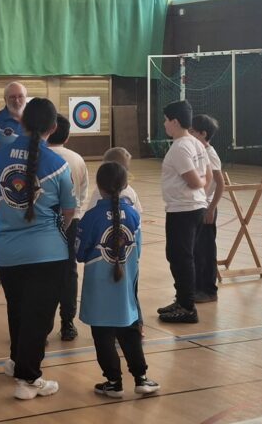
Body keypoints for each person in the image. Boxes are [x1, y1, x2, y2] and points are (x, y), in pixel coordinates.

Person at [0, 98, 76, 400]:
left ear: (22, 122)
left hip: (8, 252)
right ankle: (29, 378)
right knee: (38, 318)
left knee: (18, 310)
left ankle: (17, 361)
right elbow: (68, 211)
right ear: (53, 127)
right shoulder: (58, 165)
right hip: (47, 254)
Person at [77, 162, 159, 398]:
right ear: (124, 185)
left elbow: (80, 254)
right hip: (125, 288)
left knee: (103, 336)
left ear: (99, 186)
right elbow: (138, 251)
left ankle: (114, 382)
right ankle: (141, 378)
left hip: (98, 290)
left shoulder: (90, 217)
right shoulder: (134, 215)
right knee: (130, 332)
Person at [157, 100, 207, 324]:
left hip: (183, 210)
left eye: (166, 120)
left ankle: (187, 307)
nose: (164, 124)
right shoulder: (195, 143)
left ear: (175, 121)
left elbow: (196, 181)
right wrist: (201, 183)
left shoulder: (180, 147)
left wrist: (199, 183)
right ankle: (182, 299)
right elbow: (205, 177)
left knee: (181, 258)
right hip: (191, 207)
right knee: (178, 256)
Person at [48, 114, 89, 341]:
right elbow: (82, 194)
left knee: (43, 273)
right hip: (72, 221)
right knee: (68, 271)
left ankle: (42, 326)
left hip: (44, 224)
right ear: (67, 136)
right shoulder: (77, 159)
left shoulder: (39, 156)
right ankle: (67, 323)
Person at [190, 114, 225, 304]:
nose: (189, 134)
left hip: (207, 208)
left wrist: (211, 209)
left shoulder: (210, 154)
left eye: (192, 131)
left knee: (206, 251)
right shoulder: (198, 152)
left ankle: (209, 290)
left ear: (203, 134)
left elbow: (220, 184)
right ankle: (197, 288)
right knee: (196, 250)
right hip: (198, 206)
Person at [86, 147, 143, 215]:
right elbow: (138, 215)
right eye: (126, 170)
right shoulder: (100, 192)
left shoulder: (101, 191)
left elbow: (89, 215)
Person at [0, 82, 28, 148]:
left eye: (20, 96)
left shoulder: (35, 119)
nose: (16, 101)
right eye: (12, 97)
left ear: (26, 98)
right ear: (5, 99)